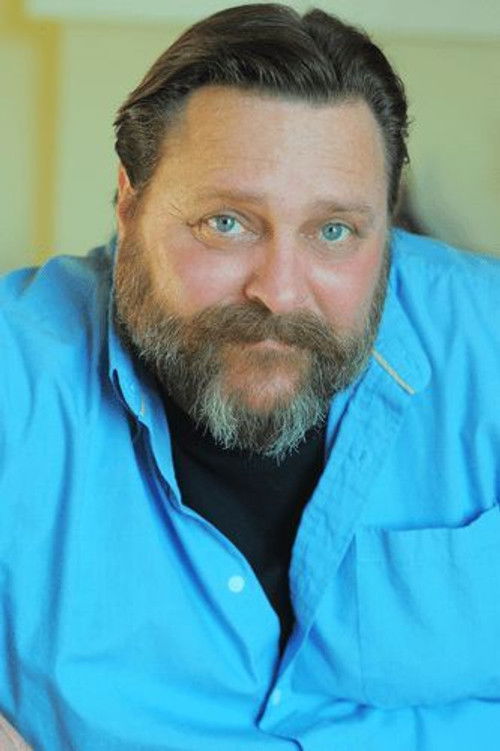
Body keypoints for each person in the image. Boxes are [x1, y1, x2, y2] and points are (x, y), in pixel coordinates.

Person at [1, 3, 499, 750]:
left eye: (334, 231)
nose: (280, 292)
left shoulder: (486, 344)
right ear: (130, 203)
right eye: (227, 223)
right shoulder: (19, 373)